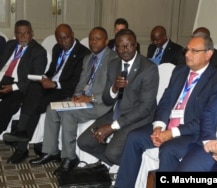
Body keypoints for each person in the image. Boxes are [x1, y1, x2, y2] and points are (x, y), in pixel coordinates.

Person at [115, 32, 217, 187]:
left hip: (191, 133)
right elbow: (165, 102)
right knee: (134, 137)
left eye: (194, 51)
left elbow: (205, 119)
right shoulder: (180, 71)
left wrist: (171, 133)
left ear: (208, 54)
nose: (187, 54)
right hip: (167, 125)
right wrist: (158, 127)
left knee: (168, 149)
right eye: (187, 50)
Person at [29, 27, 117, 175]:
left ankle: (70, 157)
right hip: (83, 100)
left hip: (100, 104)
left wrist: (90, 98)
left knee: (68, 114)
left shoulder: (114, 59)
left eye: (98, 38)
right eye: (91, 39)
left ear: (106, 40)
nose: (93, 42)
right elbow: (82, 82)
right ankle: (51, 152)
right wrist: (77, 95)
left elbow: (112, 90)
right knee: (52, 108)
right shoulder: (88, 58)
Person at [2, 24, 91, 164]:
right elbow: (53, 71)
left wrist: (55, 84)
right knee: (33, 88)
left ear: (73, 34)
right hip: (51, 86)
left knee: (34, 104)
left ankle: (21, 144)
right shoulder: (57, 48)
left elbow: (77, 81)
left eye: (66, 38)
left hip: (65, 90)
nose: (63, 42)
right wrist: (45, 78)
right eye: (59, 39)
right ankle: (21, 137)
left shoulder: (83, 53)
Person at [77, 29, 159, 168]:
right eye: (121, 46)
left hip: (137, 118)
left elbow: (145, 107)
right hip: (116, 113)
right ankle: (122, 164)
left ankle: (134, 169)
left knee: (113, 153)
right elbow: (107, 99)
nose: (125, 49)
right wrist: (114, 88)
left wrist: (113, 126)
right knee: (84, 142)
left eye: (129, 45)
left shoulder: (148, 68)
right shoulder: (114, 64)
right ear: (116, 47)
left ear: (136, 45)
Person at [0, 20, 47, 135]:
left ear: (32, 33)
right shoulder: (10, 45)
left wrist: (13, 87)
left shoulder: (38, 52)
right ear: (15, 34)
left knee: (7, 105)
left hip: (19, 86)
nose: (22, 37)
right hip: (2, 79)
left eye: (26, 33)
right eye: (19, 33)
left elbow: (35, 78)